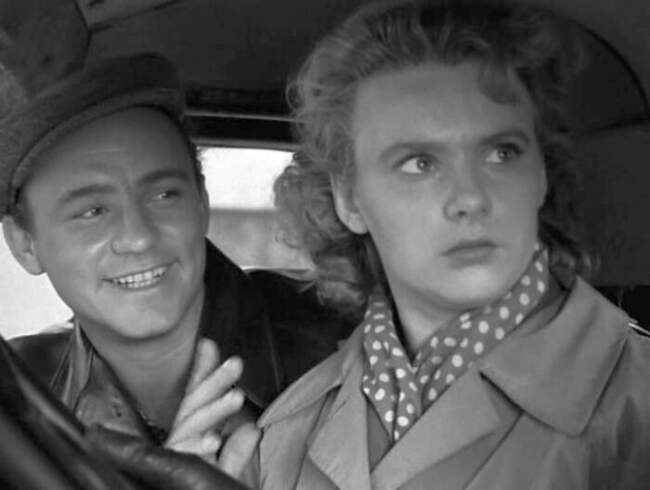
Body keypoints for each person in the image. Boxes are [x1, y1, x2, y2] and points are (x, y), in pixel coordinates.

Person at [248, 1, 650, 488]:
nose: (471, 199)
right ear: (349, 199)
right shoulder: (287, 429)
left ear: (541, 175)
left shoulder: (635, 402)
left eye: (502, 153)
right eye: (420, 163)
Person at [0, 52, 350, 481]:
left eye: (164, 195)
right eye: (92, 211)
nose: (138, 236)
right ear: (24, 244)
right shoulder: (17, 407)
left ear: (202, 204)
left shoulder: (349, 341)